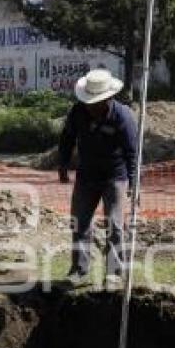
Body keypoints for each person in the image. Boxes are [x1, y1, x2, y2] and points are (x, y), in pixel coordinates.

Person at [58, 69, 138, 287]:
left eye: (95, 103)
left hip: (115, 177)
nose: (91, 107)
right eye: (88, 102)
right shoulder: (77, 112)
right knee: (79, 223)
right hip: (86, 176)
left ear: (108, 98)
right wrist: (63, 164)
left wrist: (134, 182)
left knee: (114, 224)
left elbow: (132, 152)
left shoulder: (122, 117)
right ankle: (79, 271)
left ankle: (114, 272)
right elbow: (67, 138)